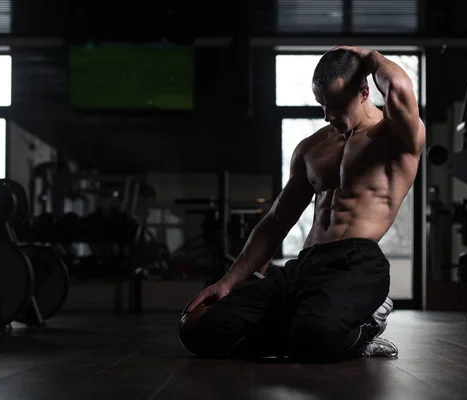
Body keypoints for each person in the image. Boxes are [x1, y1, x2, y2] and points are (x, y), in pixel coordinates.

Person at [181, 46, 425, 363]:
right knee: (200, 328)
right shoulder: (312, 148)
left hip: (355, 264)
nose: (328, 116)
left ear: (365, 91)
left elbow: (400, 87)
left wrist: (369, 56)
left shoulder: (397, 136)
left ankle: (365, 324)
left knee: (315, 337)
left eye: (336, 105)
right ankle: (310, 329)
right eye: (322, 104)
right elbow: (276, 221)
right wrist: (227, 282)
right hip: (306, 264)